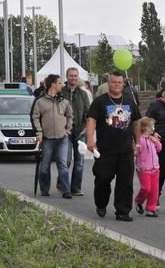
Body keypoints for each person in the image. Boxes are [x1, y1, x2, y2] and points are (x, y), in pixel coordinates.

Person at [87, 71, 141, 221]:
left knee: (125, 181)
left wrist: (138, 142)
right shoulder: (100, 101)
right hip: (105, 150)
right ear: (108, 84)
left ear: (123, 84)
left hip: (125, 150)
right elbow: (92, 120)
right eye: (113, 82)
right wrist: (90, 140)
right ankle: (101, 204)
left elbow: (136, 123)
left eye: (119, 82)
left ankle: (122, 211)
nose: (116, 85)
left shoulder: (130, 101)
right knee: (103, 178)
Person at [32, 74, 74, 199]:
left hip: (62, 138)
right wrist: (39, 133)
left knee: (63, 164)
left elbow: (70, 116)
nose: (62, 85)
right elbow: (35, 117)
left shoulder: (64, 101)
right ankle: (44, 189)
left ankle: (66, 190)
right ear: (53, 85)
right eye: (59, 83)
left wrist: (68, 130)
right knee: (44, 166)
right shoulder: (40, 101)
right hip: (47, 139)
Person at [60, 67, 90, 196]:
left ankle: (75, 188)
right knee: (65, 160)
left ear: (78, 77)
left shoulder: (83, 94)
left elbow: (88, 111)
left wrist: (87, 128)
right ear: (67, 77)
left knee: (79, 162)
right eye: (71, 76)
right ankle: (62, 182)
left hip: (80, 132)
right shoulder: (61, 92)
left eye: (75, 76)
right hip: (64, 132)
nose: (73, 78)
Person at [134, 117, 161, 218]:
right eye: (151, 126)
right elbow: (137, 154)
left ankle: (150, 209)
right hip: (144, 169)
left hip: (155, 169)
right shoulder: (139, 140)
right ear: (145, 128)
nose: (153, 128)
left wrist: (156, 141)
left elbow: (159, 149)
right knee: (146, 188)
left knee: (154, 190)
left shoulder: (151, 138)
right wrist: (141, 166)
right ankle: (138, 201)